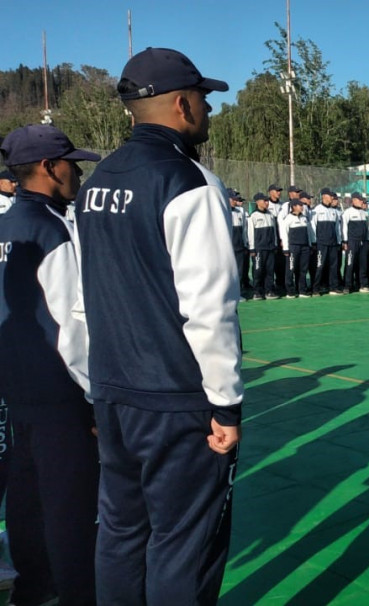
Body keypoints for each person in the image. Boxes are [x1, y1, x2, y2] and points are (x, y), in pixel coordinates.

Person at [73, 47, 241, 605]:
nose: (209, 110)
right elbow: (209, 308)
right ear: (181, 104)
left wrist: (97, 390)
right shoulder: (189, 182)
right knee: (183, 542)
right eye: (203, 98)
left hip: (114, 390)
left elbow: (84, 296)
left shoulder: (95, 182)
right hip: (172, 397)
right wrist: (225, 405)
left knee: (120, 531)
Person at [0, 124, 99, 606]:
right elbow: (71, 325)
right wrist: (95, 397)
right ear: (48, 168)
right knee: (70, 505)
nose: (76, 171)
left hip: (15, 389)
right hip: (60, 393)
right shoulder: (51, 228)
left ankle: (32, 586)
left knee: (26, 496)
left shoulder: (4, 227)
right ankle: (75, 593)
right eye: (70, 163)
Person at [311, 188, 343, 295]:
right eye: (330, 196)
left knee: (334, 266)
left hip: (333, 244)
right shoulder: (317, 210)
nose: (332, 198)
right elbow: (312, 227)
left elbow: (337, 229)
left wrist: (339, 241)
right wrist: (314, 242)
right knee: (320, 266)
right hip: (321, 244)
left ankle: (333, 287)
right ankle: (316, 288)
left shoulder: (334, 211)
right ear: (324, 196)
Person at [281, 199, 315, 298]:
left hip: (305, 247)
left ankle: (302, 290)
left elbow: (308, 233)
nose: (302, 207)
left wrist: (310, 244)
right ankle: (290, 291)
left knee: (303, 269)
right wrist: (286, 248)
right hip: (293, 247)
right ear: (294, 207)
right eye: (300, 205)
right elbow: (284, 234)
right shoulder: (288, 219)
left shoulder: (304, 218)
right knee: (291, 269)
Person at [247, 193, 278, 300]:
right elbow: (250, 234)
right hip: (259, 249)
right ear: (257, 202)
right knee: (258, 270)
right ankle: (257, 292)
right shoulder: (253, 216)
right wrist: (252, 248)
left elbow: (274, 231)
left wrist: (275, 244)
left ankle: (269, 291)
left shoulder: (270, 215)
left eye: (267, 201)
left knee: (270, 270)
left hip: (270, 248)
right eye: (264, 201)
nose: (266, 203)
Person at [342, 194, 369, 293]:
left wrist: (368, 240)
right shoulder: (347, 213)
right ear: (354, 200)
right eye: (360, 200)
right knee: (350, 264)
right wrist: (345, 241)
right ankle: (347, 285)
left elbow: (368, 228)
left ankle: (363, 284)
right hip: (352, 242)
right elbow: (344, 228)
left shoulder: (365, 214)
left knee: (363, 264)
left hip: (363, 243)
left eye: (363, 201)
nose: (362, 202)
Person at [228, 188, 249, 298]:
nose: (235, 201)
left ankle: (238, 293)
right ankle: (229, 294)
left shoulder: (240, 212)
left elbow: (244, 230)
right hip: (228, 248)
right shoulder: (222, 212)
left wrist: (245, 244)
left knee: (239, 271)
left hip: (239, 247)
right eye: (233, 199)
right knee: (228, 272)